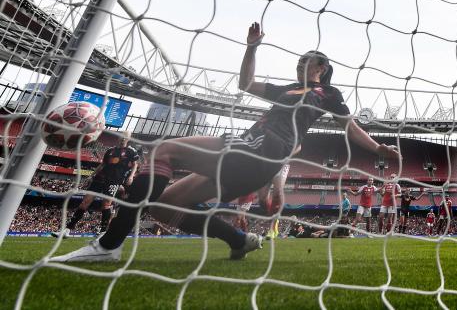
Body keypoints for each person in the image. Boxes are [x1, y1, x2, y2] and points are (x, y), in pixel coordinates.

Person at [51, 22, 400, 262]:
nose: (299, 66)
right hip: (253, 158)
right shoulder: (285, 89)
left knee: (162, 150)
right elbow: (245, 85)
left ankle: (109, 244)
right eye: (297, 62)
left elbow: (349, 127)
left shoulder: (328, 92)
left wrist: (379, 149)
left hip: (262, 146)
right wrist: (251, 49)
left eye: (305, 62)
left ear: (321, 67)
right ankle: (238, 240)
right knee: (165, 207)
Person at [52, 131, 138, 238]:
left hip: (114, 181)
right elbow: (103, 164)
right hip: (100, 178)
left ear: (129, 139)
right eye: (121, 137)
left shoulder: (131, 151)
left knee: (105, 205)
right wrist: (91, 176)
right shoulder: (110, 150)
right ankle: (67, 230)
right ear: (118, 138)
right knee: (85, 202)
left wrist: (131, 176)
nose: (123, 139)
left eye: (125, 137)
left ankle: (102, 232)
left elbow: (135, 165)